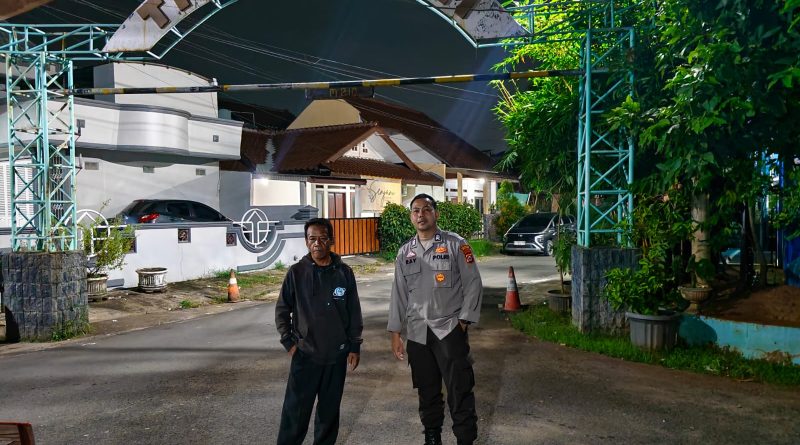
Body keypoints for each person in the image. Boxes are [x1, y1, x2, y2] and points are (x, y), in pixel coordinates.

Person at [388, 194, 483, 445]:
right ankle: (432, 437)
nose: (421, 215)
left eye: (426, 209)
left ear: (436, 214)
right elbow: (398, 294)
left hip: (448, 329)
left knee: (459, 389)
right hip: (418, 333)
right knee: (426, 391)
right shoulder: (405, 252)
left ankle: (465, 439)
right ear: (411, 217)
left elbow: (473, 283)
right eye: (416, 210)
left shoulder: (456, 244)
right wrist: (395, 332)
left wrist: (463, 321)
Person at [275, 217, 363, 445]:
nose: (317, 243)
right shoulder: (296, 273)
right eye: (312, 239)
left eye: (322, 238)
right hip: (305, 356)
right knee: (295, 415)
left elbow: (354, 312)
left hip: (336, 357)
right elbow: (282, 310)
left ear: (331, 240)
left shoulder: (344, 273)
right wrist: (289, 343)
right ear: (306, 242)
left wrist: (354, 345)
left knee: (328, 415)